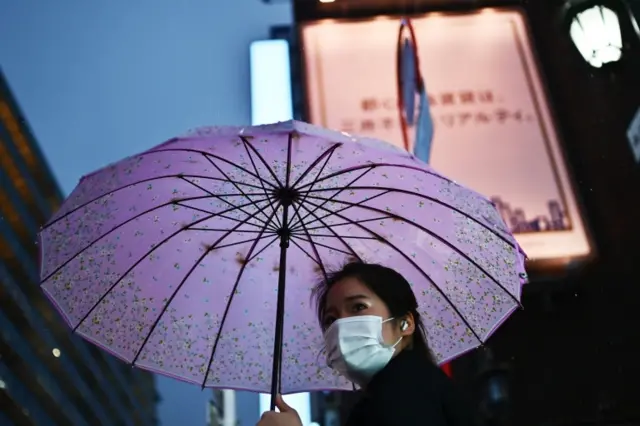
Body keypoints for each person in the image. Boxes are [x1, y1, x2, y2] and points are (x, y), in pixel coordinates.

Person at [257, 262, 477, 426]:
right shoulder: (406, 386)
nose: (342, 325)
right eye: (331, 320)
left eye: (358, 307)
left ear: (406, 323)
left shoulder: (405, 391)